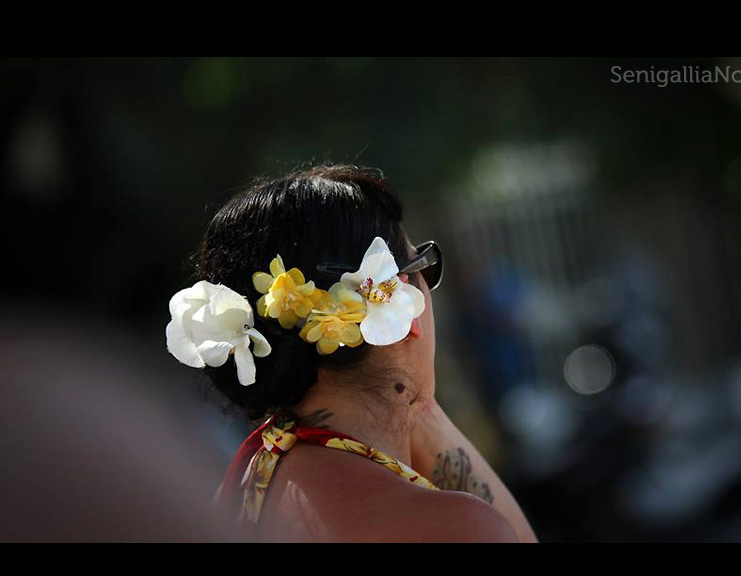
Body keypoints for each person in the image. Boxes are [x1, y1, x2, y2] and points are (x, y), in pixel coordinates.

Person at [166, 164, 538, 542]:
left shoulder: (246, 484)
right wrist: (413, 391)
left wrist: (415, 399)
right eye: (424, 265)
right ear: (397, 301)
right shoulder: (454, 526)